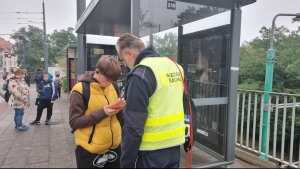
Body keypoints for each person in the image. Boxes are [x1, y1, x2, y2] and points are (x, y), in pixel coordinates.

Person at [115, 33, 185, 168]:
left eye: (122, 58)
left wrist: (126, 163)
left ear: (129, 53)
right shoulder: (175, 66)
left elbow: (134, 126)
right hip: (175, 147)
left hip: (151, 151)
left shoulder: (140, 74)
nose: (124, 64)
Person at [69, 55, 126, 168]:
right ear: (97, 71)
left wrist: (119, 109)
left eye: (112, 80)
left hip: (114, 147)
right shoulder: (80, 89)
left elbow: (116, 118)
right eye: (107, 79)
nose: (109, 83)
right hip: (90, 150)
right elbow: (74, 122)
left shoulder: (113, 87)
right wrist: (102, 113)